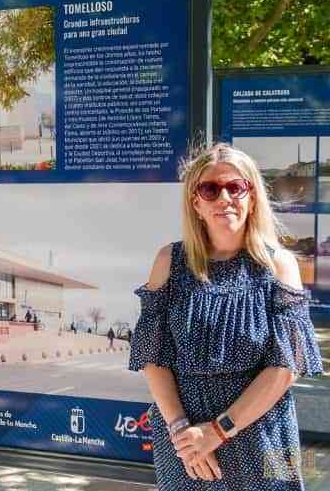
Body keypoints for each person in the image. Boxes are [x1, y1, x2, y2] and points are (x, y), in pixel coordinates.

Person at [129, 143, 323, 489]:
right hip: (185, 436)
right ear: (196, 202)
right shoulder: (168, 262)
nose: (224, 198)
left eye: (236, 187)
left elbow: (286, 367)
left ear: (252, 197)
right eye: (210, 189)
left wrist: (217, 431)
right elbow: (153, 356)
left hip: (264, 430)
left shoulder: (279, 265)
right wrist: (183, 431)